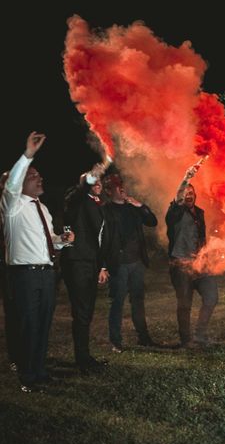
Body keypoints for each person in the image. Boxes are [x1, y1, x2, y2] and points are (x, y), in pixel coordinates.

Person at [2, 132, 74, 392]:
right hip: (25, 275)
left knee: (43, 322)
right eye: (33, 176)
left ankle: (40, 371)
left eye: (39, 175)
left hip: (46, 273)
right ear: (20, 183)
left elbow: (49, 240)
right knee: (29, 324)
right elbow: (11, 184)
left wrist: (62, 240)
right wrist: (27, 155)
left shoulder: (42, 208)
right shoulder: (12, 206)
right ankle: (28, 377)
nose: (39, 178)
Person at [61, 161, 109, 374]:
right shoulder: (76, 198)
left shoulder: (98, 203)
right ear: (84, 184)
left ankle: (85, 356)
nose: (98, 182)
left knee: (87, 312)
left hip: (90, 262)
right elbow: (79, 193)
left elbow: (100, 238)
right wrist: (89, 178)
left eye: (99, 179)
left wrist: (102, 266)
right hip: (77, 262)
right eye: (93, 179)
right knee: (81, 312)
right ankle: (82, 360)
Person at [103, 174, 158, 353]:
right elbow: (102, 240)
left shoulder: (133, 208)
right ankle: (116, 342)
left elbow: (152, 221)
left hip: (137, 262)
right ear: (108, 190)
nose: (121, 188)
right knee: (117, 302)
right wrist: (103, 265)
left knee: (138, 300)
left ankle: (144, 337)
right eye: (116, 185)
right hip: (118, 264)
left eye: (122, 184)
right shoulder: (105, 210)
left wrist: (140, 205)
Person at [166, 166, 218, 347]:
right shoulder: (175, 213)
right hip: (181, 265)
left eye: (191, 192)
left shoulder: (200, 213)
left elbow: (201, 237)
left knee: (211, 297)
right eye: (185, 192)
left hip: (200, 265)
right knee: (185, 304)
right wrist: (186, 178)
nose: (188, 195)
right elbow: (178, 197)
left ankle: (200, 334)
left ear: (195, 195)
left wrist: (205, 254)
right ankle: (185, 340)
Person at [0, 171, 19, 372]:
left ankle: (28, 353)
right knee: (13, 312)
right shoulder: (5, 204)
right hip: (7, 263)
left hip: (17, 264)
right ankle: (15, 355)